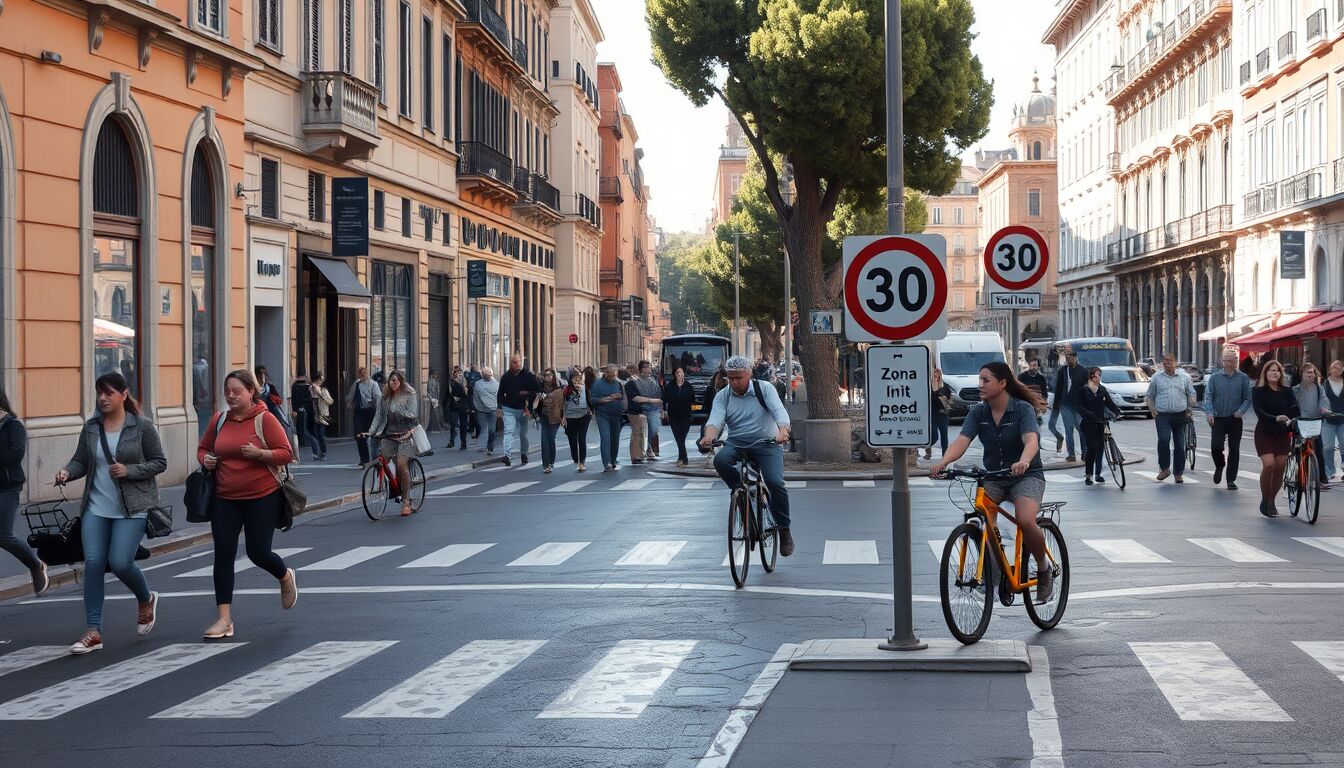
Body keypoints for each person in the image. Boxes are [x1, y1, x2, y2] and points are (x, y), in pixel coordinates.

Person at [56, 372, 166, 653]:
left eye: (109, 393)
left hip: (132, 506)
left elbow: (159, 462)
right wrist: (67, 472)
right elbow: (81, 460)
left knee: (120, 563)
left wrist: (130, 471)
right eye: (99, 393)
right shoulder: (92, 427)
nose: (102, 398)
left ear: (123, 394)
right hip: (96, 506)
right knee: (93, 563)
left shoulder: (141, 426)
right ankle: (93, 631)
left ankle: (146, 599)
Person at [930, 362, 1055, 604]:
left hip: (1026, 475)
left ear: (1002, 383)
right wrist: (943, 462)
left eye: (986, 380)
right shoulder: (979, 412)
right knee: (983, 521)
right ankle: (995, 576)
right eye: (980, 379)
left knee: (1025, 520)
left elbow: (1031, 440)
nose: (980, 385)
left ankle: (1043, 568)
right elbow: (962, 440)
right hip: (995, 477)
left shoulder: (1022, 409)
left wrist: (1024, 461)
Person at [198, 369, 298, 640]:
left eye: (237, 391)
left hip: (261, 497)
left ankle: (284, 576)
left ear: (251, 391)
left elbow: (286, 453)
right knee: (223, 556)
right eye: (227, 391)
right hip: (224, 498)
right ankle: (224, 619)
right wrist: (206, 459)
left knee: (258, 553)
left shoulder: (265, 419)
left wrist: (260, 454)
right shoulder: (219, 420)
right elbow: (204, 448)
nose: (231, 396)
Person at [698, 356, 794, 556]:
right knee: (720, 460)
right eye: (730, 378)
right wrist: (709, 437)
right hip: (737, 442)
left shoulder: (764, 389)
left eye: (738, 378)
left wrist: (783, 431)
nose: (734, 382)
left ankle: (784, 529)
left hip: (767, 443)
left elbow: (778, 411)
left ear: (749, 374)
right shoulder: (723, 396)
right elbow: (715, 420)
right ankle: (741, 495)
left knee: (775, 482)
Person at [0, 388, 47, 596]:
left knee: (3, 535)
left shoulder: (13, 426)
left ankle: (36, 565)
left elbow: (15, 454)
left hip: (7, 488)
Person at [366, 371, 420, 517]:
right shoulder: (383, 398)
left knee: (401, 465)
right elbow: (378, 416)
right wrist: (371, 432)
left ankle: (406, 502)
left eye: (396, 380)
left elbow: (412, 414)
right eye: (391, 380)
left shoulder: (409, 394)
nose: (393, 383)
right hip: (389, 435)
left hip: (406, 435)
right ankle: (393, 486)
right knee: (383, 460)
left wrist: (397, 405)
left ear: (401, 381)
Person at [1252, 360, 1300, 518]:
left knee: (1280, 465)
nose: (1275, 373)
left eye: (1277, 370)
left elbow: (1294, 409)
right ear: (1265, 373)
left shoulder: (1287, 391)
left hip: (1282, 432)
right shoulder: (1258, 391)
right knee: (1269, 464)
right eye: (1271, 370)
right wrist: (1276, 418)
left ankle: (1271, 500)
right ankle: (1265, 498)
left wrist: (1295, 418)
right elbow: (1259, 413)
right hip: (1265, 432)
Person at [1203, 349, 1253, 490]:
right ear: (1223, 362)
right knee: (1215, 447)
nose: (1230, 363)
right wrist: (1209, 413)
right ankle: (1220, 465)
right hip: (1218, 418)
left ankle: (1231, 479)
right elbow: (1208, 396)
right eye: (1227, 361)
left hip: (1235, 418)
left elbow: (1248, 398)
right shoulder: (1215, 378)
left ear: (1236, 361)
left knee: (1234, 449)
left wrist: (1241, 411)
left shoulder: (1243, 378)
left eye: (1232, 360)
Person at [1145, 353, 1197, 483]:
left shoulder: (1184, 377)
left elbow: (1191, 393)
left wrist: (1190, 407)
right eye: (1165, 361)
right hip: (1163, 415)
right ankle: (1164, 468)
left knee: (1179, 444)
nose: (1167, 363)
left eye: (1170, 361)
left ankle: (1178, 473)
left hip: (1180, 414)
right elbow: (1150, 395)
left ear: (1175, 363)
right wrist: (1152, 410)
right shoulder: (1157, 378)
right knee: (1164, 440)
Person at [1075, 367, 1122, 485]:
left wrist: (1117, 412)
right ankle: (1089, 475)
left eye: (1100, 375)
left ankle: (1098, 473)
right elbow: (1079, 407)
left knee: (1100, 448)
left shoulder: (1102, 390)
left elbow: (1110, 403)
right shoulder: (1083, 390)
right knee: (1092, 448)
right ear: (1092, 376)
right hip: (1088, 423)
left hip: (1101, 422)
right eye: (1098, 375)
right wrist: (1089, 414)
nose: (1100, 377)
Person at [498, 353, 541, 467]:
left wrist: (527, 393)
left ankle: (524, 454)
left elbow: (538, 390)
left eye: (515, 362)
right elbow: (500, 392)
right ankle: (507, 455)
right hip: (508, 408)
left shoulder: (528, 375)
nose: (513, 364)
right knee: (508, 431)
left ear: (521, 362)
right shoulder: (506, 376)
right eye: (511, 362)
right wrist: (499, 406)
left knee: (523, 434)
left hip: (524, 409)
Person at [1293, 362, 1329, 480]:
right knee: (1299, 451)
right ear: (1302, 374)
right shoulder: (1296, 389)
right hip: (1301, 423)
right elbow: (1292, 406)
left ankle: (1322, 478)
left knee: (1319, 451)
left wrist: (1325, 409)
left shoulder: (1319, 388)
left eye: (1312, 372)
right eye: (1308, 372)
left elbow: (1324, 401)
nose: (1311, 375)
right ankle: (1299, 477)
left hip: (1315, 422)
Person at [1050, 349, 1087, 461]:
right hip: (1065, 404)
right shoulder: (1063, 371)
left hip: (1078, 405)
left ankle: (1085, 453)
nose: (1068, 360)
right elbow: (1058, 389)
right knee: (1068, 429)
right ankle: (1071, 454)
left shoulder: (1083, 371)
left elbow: (1086, 389)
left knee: (1081, 429)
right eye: (1067, 358)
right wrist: (1056, 406)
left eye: (1070, 358)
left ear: (1075, 358)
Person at [590, 364, 627, 471]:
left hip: (616, 414)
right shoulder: (597, 384)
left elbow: (622, 397)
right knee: (605, 437)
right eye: (611, 375)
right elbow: (593, 400)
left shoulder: (618, 384)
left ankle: (613, 460)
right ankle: (606, 463)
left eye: (615, 375)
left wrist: (621, 399)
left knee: (615, 439)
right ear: (606, 373)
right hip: (603, 414)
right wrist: (610, 398)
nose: (613, 377)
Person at [256, 365, 297, 450]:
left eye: (264, 374)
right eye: (260, 374)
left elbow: (278, 399)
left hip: (271, 412)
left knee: (283, 425)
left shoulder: (270, 387)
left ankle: (286, 446)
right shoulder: (254, 388)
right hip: (258, 414)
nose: (263, 377)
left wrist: (273, 398)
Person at [662, 367, 697, 467]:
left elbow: (692, 400)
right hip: (673, 415)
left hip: (686, 415)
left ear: (684, 374)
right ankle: (683, 458)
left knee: (682, 436)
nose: (679, 374)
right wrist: (664, 410)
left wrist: (693, 412)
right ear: (674, 374)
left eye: (681, 372)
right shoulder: (670, 386)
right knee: (678, 437)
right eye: (677, 372)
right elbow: (664, 399)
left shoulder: (688, 386)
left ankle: (681, 458)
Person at [347, 367, 380, 467]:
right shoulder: (356, 384)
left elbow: (378, 398)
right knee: (359, 434)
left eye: (364, 373)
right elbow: (351, 395)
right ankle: (364, 459)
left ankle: (375, 456)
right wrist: (349, 402)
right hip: (359, 411)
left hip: (370, 411)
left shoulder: (373, 384)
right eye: (361, 373)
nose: (363, 375)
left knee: (371, 435)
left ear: (367, 373)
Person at [563, 366, 594, 471]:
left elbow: (590, 400)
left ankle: (582, 462)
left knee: (581, 438)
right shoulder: (566, 389)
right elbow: (563, 402)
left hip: (584, 415)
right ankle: (575, 457)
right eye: (574, 378)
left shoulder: (586, 387)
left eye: (579, 377)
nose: (577, 380)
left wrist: (591, 410)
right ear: (570, 379)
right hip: (570, 416)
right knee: (572, 438)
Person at [536, 369, 566, 474]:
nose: (548, 376)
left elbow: (563, 404)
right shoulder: (540, 388)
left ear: (553, 376)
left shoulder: (559, 388)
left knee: (551, 439)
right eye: (546, 375)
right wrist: (538, 399)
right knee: (544, 441)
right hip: (544, 417)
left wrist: (563, 417)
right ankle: (546, 465)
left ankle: (551, 462)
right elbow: (535, 403)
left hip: (555, 417)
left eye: (550, 375)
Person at [635, 360, 664, 461]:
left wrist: (661, 408)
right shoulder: (637, 380)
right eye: (645, 367)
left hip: (653, 408)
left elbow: (658, 393)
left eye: (648, 367)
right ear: (640, 369)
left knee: (654, 429)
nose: (647, 369)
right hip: (642, 408)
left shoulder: (653, 379)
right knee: (640, 432)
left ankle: (649, 448)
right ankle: (641, 451)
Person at [1323, 360, 1344, 482]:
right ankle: (1330, 472)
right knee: (1328, 448)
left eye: (1340, 368)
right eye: (1335, 367)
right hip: (1328, 420)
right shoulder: (1324, 384)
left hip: (1342, 419)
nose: (1337, 369)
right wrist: (1323, 409)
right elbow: (1321, 399)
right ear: (1330, 369)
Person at [472, 366, 500, 454]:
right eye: (484, 374)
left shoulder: (496, 384)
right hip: (482, 410)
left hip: (492, 410)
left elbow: (499, 397)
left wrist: (499, 408)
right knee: (484, 428)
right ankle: (484, 446)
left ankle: (490, 447)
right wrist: (477, 406)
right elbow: (476, 396)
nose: (485, 376)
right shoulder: (478, 384)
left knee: (492, 429)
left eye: (488, 375)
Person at [925, 368, 952, 460]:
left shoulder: (944, 386)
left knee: (944, 435)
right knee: (934, 435)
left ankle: (945, 456)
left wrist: (942, 398)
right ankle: (927, 448)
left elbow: (948, 398)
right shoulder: (928, 386)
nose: (937, 378)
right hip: (932, 413)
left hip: (942, 413)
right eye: (935, 376)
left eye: (938, 375)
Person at [625, 367, 648, 465]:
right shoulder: (631, 383)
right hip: (634, 411)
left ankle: (640, 454)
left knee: (640, 433)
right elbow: (634, 398)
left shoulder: (637, 382)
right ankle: (635, 456)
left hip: (638, 410)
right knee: (636, 433)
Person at [309, 372, 332, 461]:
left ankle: (323, 453)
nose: (321, 381)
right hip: (313, 412)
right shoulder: (311, 388)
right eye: (320, 379)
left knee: (320, 433)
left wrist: (319, 392)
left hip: (322, 414)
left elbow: (330, 401)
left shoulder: (323, 390)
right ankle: (317, 452)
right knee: (315, 433)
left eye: (321, 379)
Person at [447, 368, 471, 450]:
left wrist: (469, 406)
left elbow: (469, 393)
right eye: (455, 372)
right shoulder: (451, 382)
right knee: (453, 424)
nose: (457, 373)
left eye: (459, 372)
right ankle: (452, 441)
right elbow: (448, 394)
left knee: (463, 425)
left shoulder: (465, 381)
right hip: (454, 406)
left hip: (463, 406)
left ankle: (463, 443)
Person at [290, 371, 313, 453]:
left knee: (299, 425)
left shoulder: (294, 386)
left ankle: (301, 441)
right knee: (303, 426)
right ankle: (305, 441)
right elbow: (308, 398)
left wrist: (294, 409)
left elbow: (294, 398)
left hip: (296, 408)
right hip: (302, 407)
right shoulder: (305, 386)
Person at [465, 363, 483, 440]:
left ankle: (472, 429)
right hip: (476, 397)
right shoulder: (479, 375)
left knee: (472, 414)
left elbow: (465, 378)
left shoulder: (468, 374)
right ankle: (475, 431)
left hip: (471, 397)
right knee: (475, 415)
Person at [426, 369, 443, 433]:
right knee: (434, 413)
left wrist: (437, 398)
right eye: (435, 374)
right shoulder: (429, 380)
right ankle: (435, 427)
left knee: (436, 413)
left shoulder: (436, 380)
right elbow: (428, 390)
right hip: (432, 398)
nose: (436, 375)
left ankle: (437, 427)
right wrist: (431, 398)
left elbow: (437, 389)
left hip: (436, 398)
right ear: (432, 374)